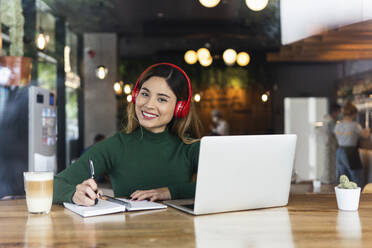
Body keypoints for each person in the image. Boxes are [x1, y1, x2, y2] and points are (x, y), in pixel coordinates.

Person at [53, 63, 203, 206]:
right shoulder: (116, 146)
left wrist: (169, 192)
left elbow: (224, 183)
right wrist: (73, 194)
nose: (149, 105)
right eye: (145, 94)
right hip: (127, 232)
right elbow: (55, 185)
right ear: (136, 96)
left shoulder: (189, 148)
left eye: (162, 99)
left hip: (179, 232)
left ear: (180, 107)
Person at [334, 101, 370, 187]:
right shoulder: (354, 125)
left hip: (339, 152)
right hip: (350, 152)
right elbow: (365, 135)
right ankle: (359, 199)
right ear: (354, 113)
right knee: (357, 177)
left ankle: (343, 198)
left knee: (342, 179)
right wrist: (368, 130)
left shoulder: (338, 125)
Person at [317, 103, 341, 184]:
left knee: (327, 164)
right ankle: (329, 182)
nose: (339, 114)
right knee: (329, 164)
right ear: (335, 112)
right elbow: (335, 133)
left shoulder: (325, 119)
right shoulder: (331, 121)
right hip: (329, 146)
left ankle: (326, 180)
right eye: (339, 112)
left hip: (324, 145)